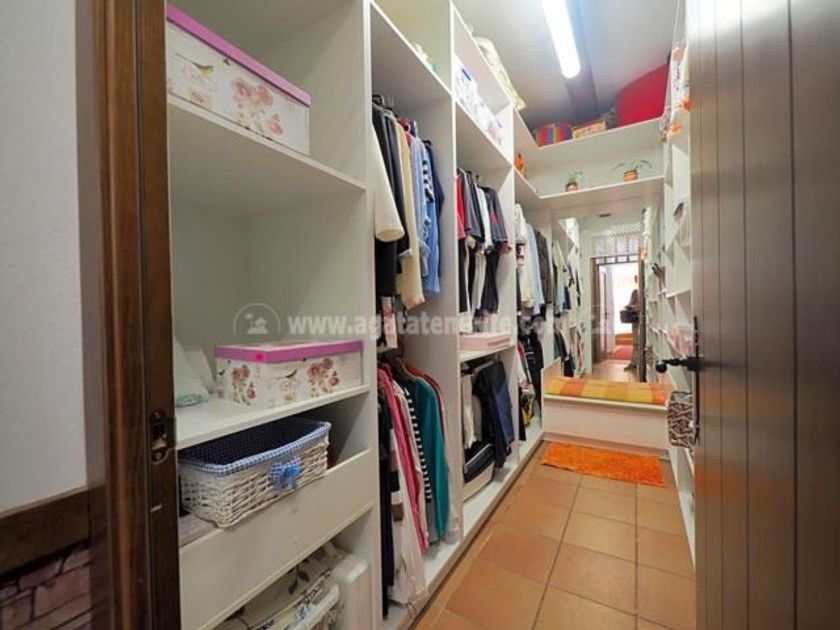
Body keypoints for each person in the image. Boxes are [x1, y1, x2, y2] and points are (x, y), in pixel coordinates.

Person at [625, 276, 640, 371]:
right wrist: (631, 307)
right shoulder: (635, 292)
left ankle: (639, 363)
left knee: (642, 343)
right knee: (636, 343)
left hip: (644, 322)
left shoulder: (643, 292)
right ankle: (634, 362)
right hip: (636, 321)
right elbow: (630, 304)